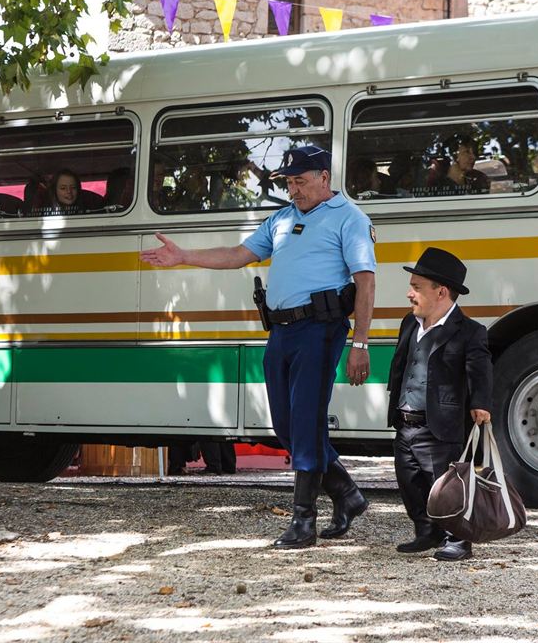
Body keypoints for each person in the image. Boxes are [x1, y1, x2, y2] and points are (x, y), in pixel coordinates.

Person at [141, 145, 375, 549]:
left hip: (320, 330)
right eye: (288, 183)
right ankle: (348, 495)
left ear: (324, 177)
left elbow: (366, 282)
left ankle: (304, 520)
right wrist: (183, 257)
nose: (294, 190)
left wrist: (361, 343)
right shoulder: (282, 219)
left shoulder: (349, 218)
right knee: (286, 425)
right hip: (281, 332)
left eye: (300, 182)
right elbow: (237, 255)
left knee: (305, 422)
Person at [388, 247, 492, 562]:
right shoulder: (409, 324)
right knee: (409, 480)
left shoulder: (470, 332)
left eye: (417, 287)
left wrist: (481, 402)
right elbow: (402, 363)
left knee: (444, 485)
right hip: (406, 421)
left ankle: (458, 539)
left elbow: (480, 368)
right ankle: (427, 530)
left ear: (442, 292)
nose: (409, 294)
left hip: (440, 426)